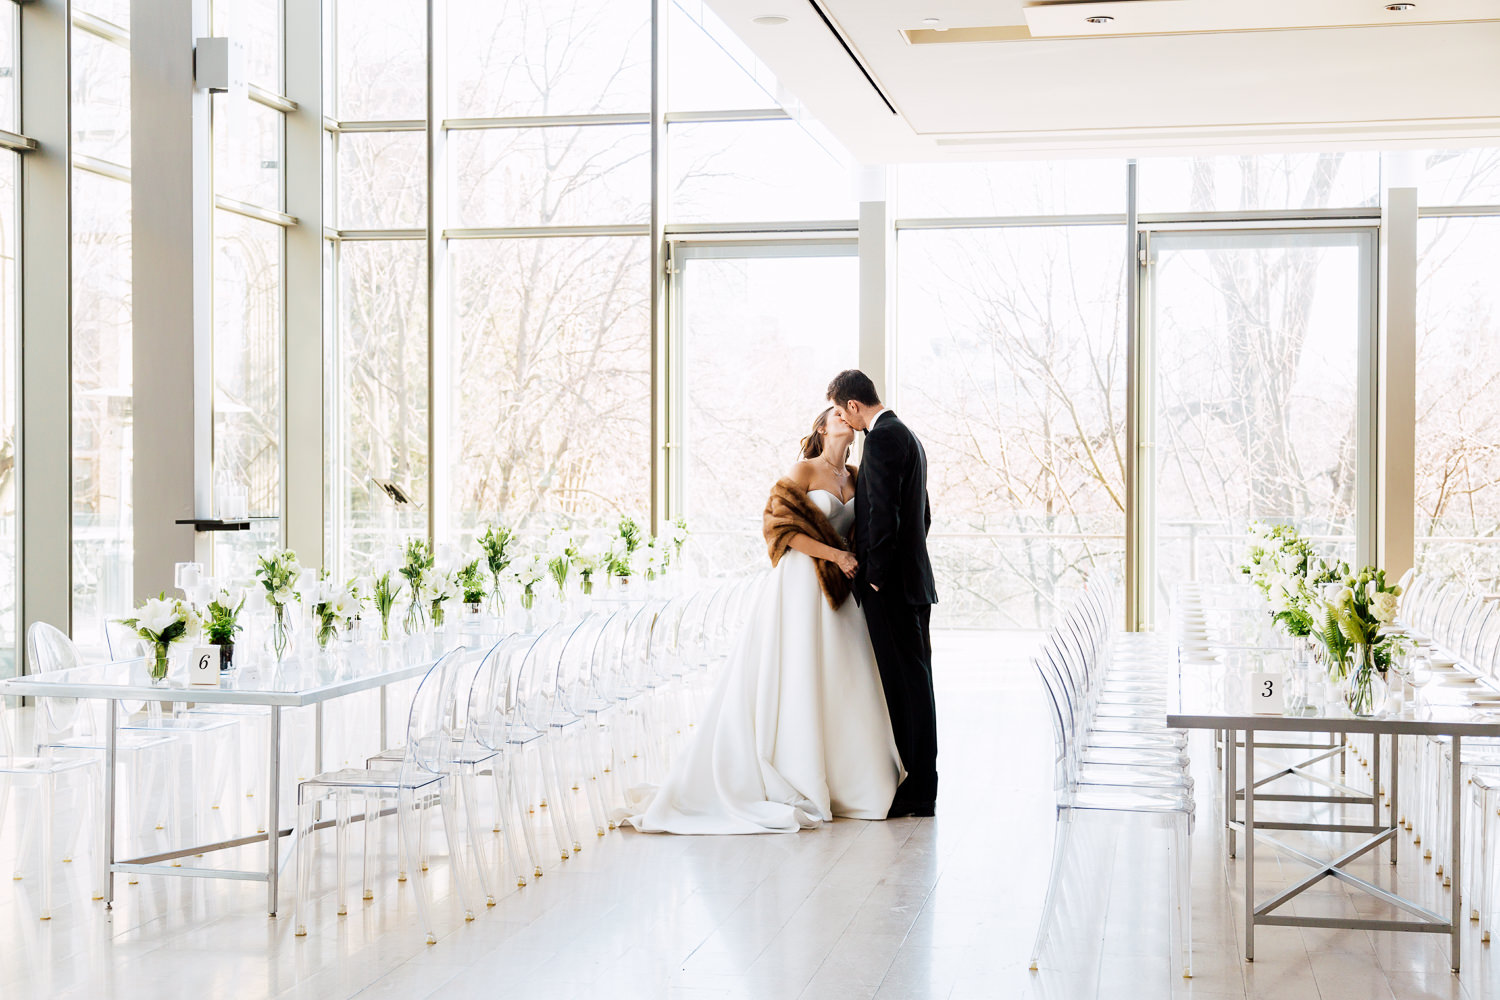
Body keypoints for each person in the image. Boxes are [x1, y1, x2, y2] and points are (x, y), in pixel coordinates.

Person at [620, 407, 904, 834]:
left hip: (843, 590)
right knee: (797, 673)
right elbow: (778, 528)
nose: (844, 418)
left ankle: (852, 781)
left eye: (848, 414)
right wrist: (836, 555)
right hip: (801, 584)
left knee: (843, 679)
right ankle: (796, 771)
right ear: (823, 428)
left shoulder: (858, 474)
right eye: (834, 415)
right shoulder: (804, 471)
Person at [826, 369, 939, 818]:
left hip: (891, 588)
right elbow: (923, 514)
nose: (842, 420)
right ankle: (921, 783)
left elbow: (883, 516)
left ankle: (920, 789)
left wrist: (876, 577)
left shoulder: (884, 437)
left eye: (840, 410)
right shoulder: (905, 435)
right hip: (912, 583)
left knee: (906, 688)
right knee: (915, 684)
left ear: (854, 406)